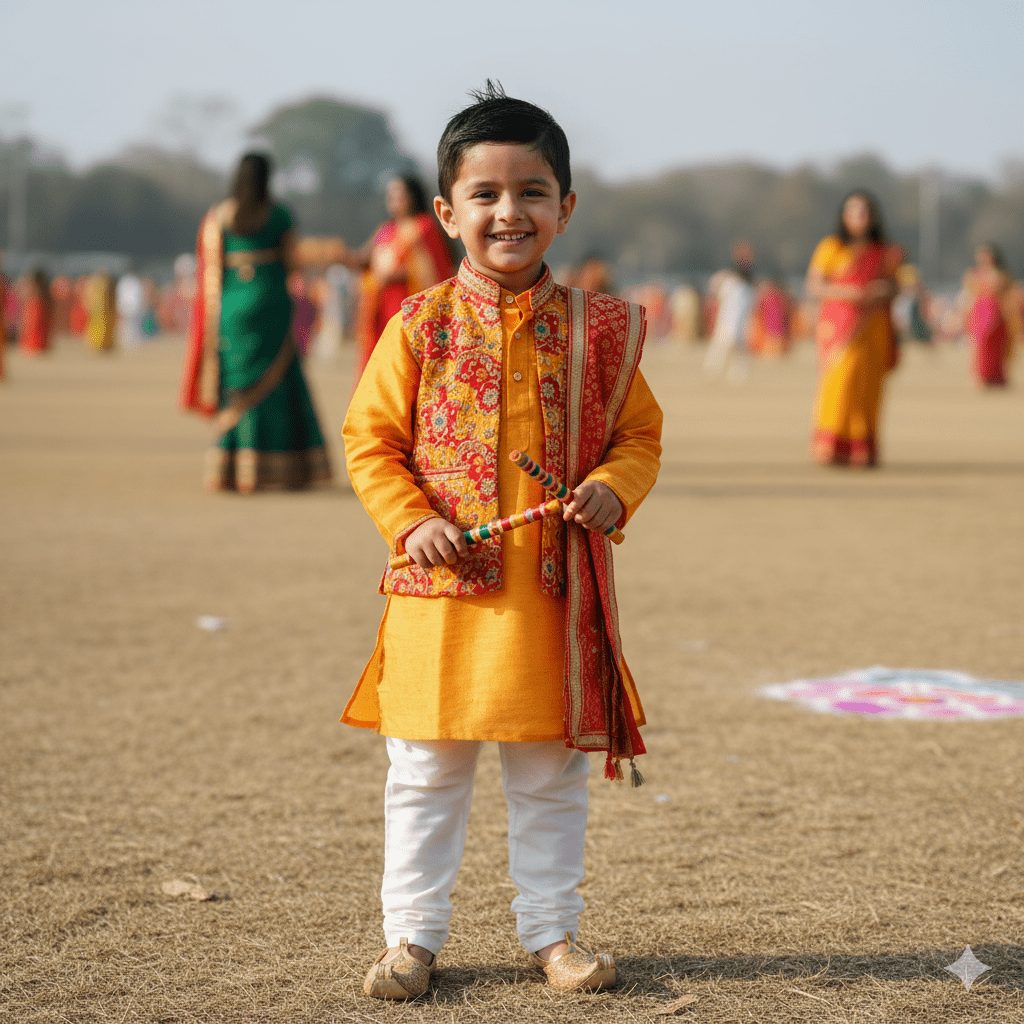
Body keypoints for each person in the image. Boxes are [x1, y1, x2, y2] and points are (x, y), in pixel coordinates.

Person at [341, 83, 662, 1000]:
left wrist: (610, 488)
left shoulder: (606, 328)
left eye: (531, 192)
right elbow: (371, 441)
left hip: (551, 598)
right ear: (446, 212)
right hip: (437, 598)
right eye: (484, 194)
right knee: (425, 774)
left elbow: (638, 436)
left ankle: (552, 935)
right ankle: (412, 940)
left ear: (567, 207)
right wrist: (413, 519)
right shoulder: (419, 324)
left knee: (550, 774)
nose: (508, 212)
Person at [179, 152, 331, 493]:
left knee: (235, 381)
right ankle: (284, 469)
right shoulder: (278, 214)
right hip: (270, 301)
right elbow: (292, 262)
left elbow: (208, 270)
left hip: (232, 307)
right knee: (278, 383)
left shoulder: (217, 216)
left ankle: (233, 468)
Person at [806, 190, 902, 467]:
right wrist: (850, 293)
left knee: (868, 386)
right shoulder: (831, 247)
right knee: (840, 382)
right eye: (854, 211)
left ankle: (862, 447)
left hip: (873, 325)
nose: (860, 217)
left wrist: (882, 290)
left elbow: (895, 286)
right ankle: (831, 444)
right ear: (844, 216)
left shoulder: (884, 252)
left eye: (865, 211)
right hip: (840, 325)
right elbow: (814, 285)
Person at [334, 174, 454, 376]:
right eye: (390, 195)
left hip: (408, 310)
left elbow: (435, 273)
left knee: (407, 369)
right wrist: (341, 255)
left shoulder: (423, 227)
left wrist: (395, 275)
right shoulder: (385, 230)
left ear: (413, 197)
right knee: (380, 370)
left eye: (399, 195)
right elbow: (365, 259)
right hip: (379, 311)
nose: (393, 200)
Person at [963, 243, 1017, 387]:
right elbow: (970, 296)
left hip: (997, 313)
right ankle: (983, 376)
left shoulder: (1001, 274)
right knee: (981, 346)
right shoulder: (974, 274)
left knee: (996, 347)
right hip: (980, 312)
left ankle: (996, 376)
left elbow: (1008, 295)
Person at [703, 242, 756, 381]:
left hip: (737, 321)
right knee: (723, 346)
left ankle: (736, 374)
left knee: (735, 347)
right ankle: (715, 371)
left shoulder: (742, 285)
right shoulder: (733, 283)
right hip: (728, 320)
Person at [84, 272, 117, 352]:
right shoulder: (97, 285)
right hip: (99, 310)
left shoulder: (106, 285)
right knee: (98, 327)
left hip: (105, 310)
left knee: (104, 328)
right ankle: (98, 344)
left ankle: (104, 344)